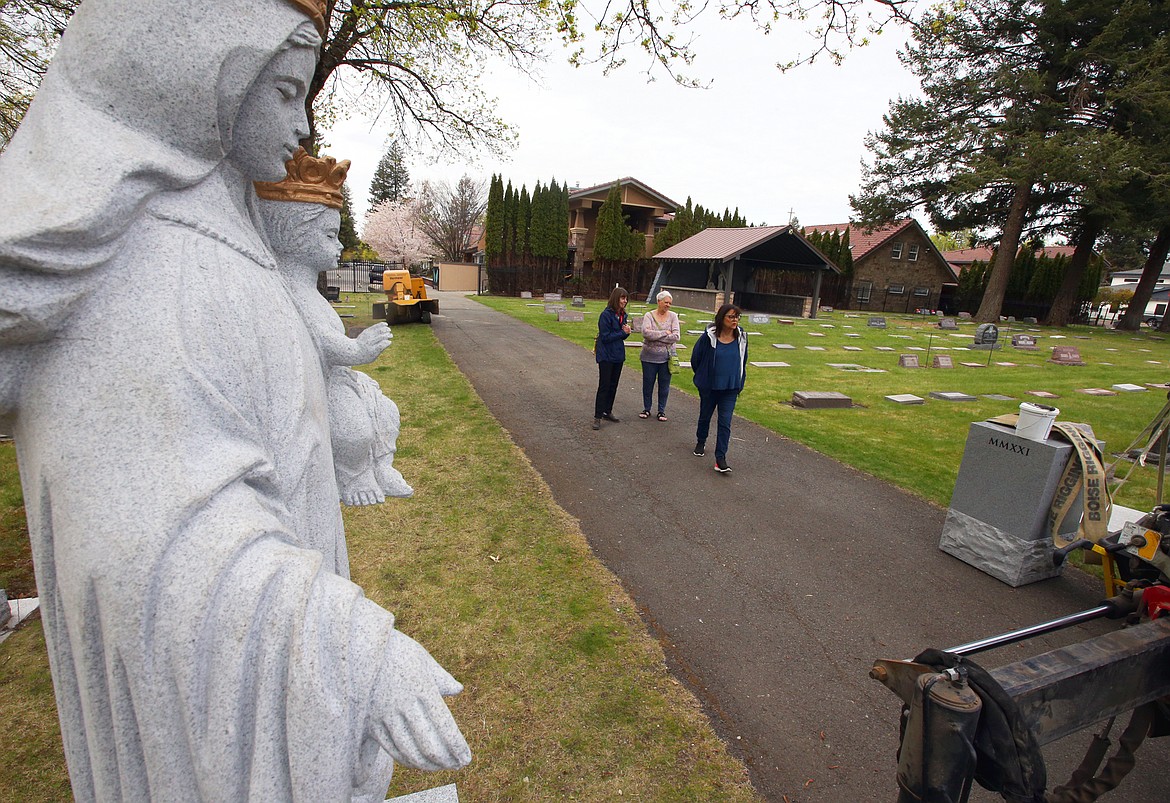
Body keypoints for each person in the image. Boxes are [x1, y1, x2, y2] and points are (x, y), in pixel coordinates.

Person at [0, 1, 469, 799]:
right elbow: (160, 554)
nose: (302, 125)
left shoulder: (221, 227)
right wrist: (356, 649)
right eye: (286, 90)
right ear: (200, 69)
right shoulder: (147, 261)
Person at [256, 147, 413, 505]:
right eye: (329, 236)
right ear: (292, 235)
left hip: (340, 377)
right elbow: (321, 341)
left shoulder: (307, 290)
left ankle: (380, 465)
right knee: (352, 429)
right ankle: (355, 474)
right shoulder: (291, 291)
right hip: (323, 382)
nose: (340, 245)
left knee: (384, 412)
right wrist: (357, 350)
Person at [691, 303, 749, 473]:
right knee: (705, 416)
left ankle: (720, 458)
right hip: (710, 387)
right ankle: (701, 441)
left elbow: (743, 361)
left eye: (737, 316)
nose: (735, 320)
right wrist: (703, 376)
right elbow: (696, 358)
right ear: (722, 318)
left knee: (725, 422)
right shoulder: (709, 337)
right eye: (731, 316)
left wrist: (740, 381)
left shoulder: (742, 337)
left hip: (730, 388)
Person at [638, 290, 681, 421]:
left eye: (670, 303)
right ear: (659, 302)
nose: (668, 305)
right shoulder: (649, 315)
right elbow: (646, 333)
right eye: (666, 302)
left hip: (666, 358)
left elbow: (676, 336)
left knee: (664, 385)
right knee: (648, 383)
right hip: (649, 357)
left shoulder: (673, 316)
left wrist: (656, 336)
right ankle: (647, 409)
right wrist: (665, 333)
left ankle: (661, 411)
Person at [592, 286, 631, 429]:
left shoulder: (622, 315)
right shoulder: (606, 315)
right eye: (622, 298)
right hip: (606, 355)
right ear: (616, 298)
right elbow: (606, 337)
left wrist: (626, 332)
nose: (625, 301)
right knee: (604, 385)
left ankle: (607, 411)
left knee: (613, 385)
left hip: (618, 355)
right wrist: (622, 333)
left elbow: (622, 336)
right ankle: (597, 416)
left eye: (626, 298)